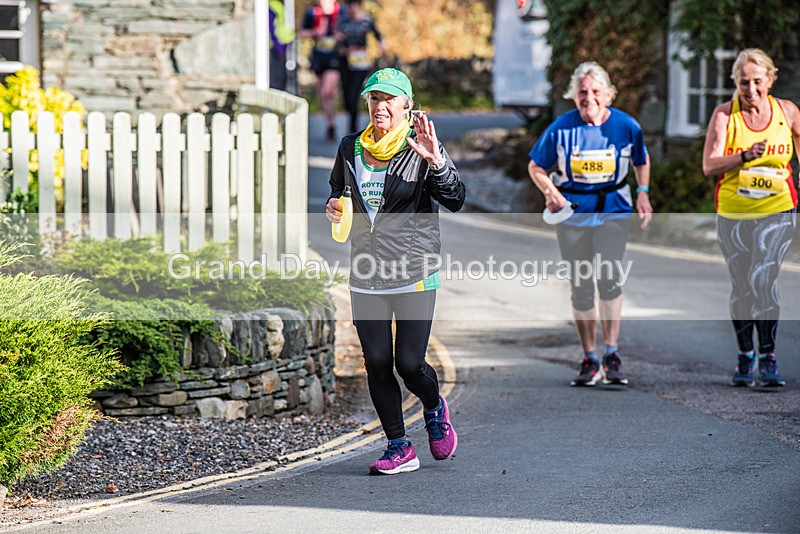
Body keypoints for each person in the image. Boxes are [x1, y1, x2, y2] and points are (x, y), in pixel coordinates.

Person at [325, 67, 465, 474]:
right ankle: (398, 445)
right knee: (376, 361)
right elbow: (339, 191)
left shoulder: (421, 146)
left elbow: (455, 199)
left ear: (407, 105)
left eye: (388, 99)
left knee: (409, 363)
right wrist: (334, 204)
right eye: (373, 98)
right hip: (365, 272)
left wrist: (436, 161)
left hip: (413, 270)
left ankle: (435, 406)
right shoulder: (350, 147)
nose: (379, 106)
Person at [527, 61, 652, 387]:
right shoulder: (561, 128)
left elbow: (641, 160)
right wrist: (550, 191)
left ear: (609, 94)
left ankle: (612, 352)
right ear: (573, 95)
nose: (589, 97)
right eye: (582, 92)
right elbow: (536, 166)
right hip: (572, 213)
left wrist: (642, 193)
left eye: (596, 91)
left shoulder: (627, 126)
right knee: (582, 285)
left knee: (609, 276)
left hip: (613, 210)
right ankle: (589, 357)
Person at [702, 48, 800, 388]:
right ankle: (746, 355)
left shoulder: (787, 112)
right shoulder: (724, 116)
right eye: (744, 83)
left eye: (758, 81)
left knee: (764, 277)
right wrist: (743, 156)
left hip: (778, 209)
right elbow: (709, 165)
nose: (752, 89)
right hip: (734, 213)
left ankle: (768, 356)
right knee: (743, 286)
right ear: (736, 83)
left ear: (771, 80)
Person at [337, 0, 386, 134]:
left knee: (353, 94)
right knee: (347, 97)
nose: (351, 9)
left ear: (358, 6)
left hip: (360, 63)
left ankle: (353, 127)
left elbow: (378, 36)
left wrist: (382, 49)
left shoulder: (367, 21)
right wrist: (339, 41)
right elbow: (335, 40)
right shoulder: (342, 21)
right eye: (348, 6)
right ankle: (351, 117)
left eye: (353, 5)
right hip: (346, 62)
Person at [300, 0, 345, 140]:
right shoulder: (312, 12)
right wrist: (315, 32)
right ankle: (329, 122)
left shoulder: (340, 11)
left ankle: (332, 121)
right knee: (322, 93)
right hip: (319, 57)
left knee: (328, 90)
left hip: (334, 57)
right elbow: (302, 32)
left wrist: (340, 36)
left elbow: (349, 28)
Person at [268, 0, 295, 91]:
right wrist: (278, 48)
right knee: (277, 80)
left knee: (284, 78)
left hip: (284, 47)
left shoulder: (279, 5)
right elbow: (271, 28)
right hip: (277, 48)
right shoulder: (273, 6)